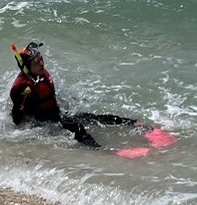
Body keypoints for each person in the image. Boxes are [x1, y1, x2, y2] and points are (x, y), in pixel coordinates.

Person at [8, 42, 143, 148]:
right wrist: (23, 100)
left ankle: (133, 123)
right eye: (37, 62)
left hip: (57, 114)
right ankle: (105, 153)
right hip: (46, 124)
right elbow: (17, 119)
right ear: (27, 69)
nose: (42, 63)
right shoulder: (26, 88)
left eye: (41, 59)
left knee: (92, 118)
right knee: (78, 128)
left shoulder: (38, 74)